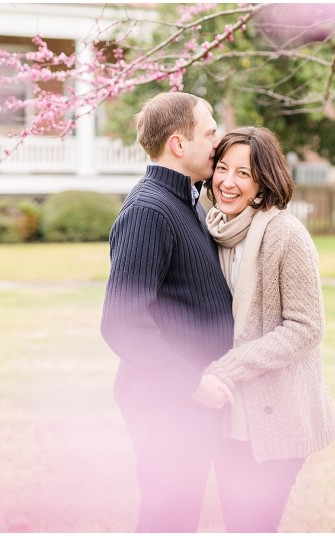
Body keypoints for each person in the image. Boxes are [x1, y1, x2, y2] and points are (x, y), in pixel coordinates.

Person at [100, 92, 235, 532]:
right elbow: (122, 322)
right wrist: (191, 383)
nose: (218, 141)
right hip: (166, 406)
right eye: (210, 132)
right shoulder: (148, 210)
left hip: (188, 407)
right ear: (179, 144)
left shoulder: (187, 200)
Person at [198, 126, 335, 532]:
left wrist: (228, 367)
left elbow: (305, 328)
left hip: (277, 416)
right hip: (227, 418)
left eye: (243, 173)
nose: (227, 181)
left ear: (263, 181)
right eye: (222, 168)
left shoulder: (285, 234)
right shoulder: (215, 229)